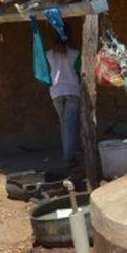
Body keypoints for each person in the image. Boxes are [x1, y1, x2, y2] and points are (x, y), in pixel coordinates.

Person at [45, 34, 81, 167]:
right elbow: (79, 71)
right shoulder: (75, 53)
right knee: (70, 126)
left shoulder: (49, 54)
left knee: (64, 126)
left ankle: (70, 154)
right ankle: (68, 158)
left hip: (56, 92)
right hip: (72, 91)